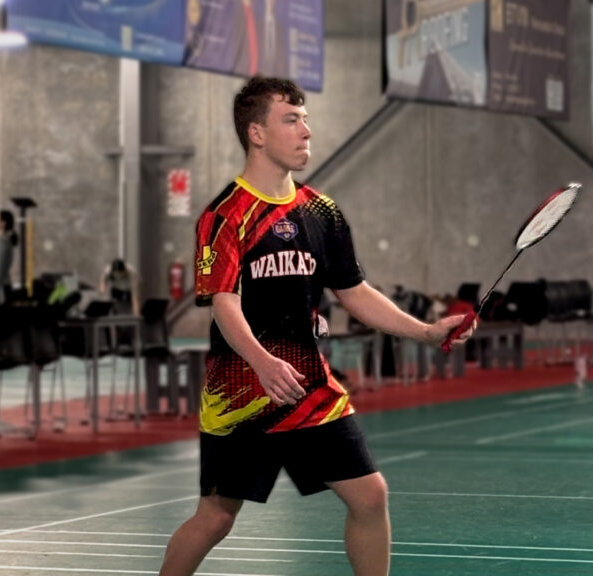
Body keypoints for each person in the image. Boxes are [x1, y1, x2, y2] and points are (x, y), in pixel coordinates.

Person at [158, 76, 476, 576]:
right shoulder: (225, 216)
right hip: (242, 391)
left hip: (309, 387)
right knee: (217, 516)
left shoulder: (322, 212)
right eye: (291, 119)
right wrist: (261, 362)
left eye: (306, 118)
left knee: (370, 495)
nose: (306, 129)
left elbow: (354, 292)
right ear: (257, 133)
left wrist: (426, 331)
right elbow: (223, 302)